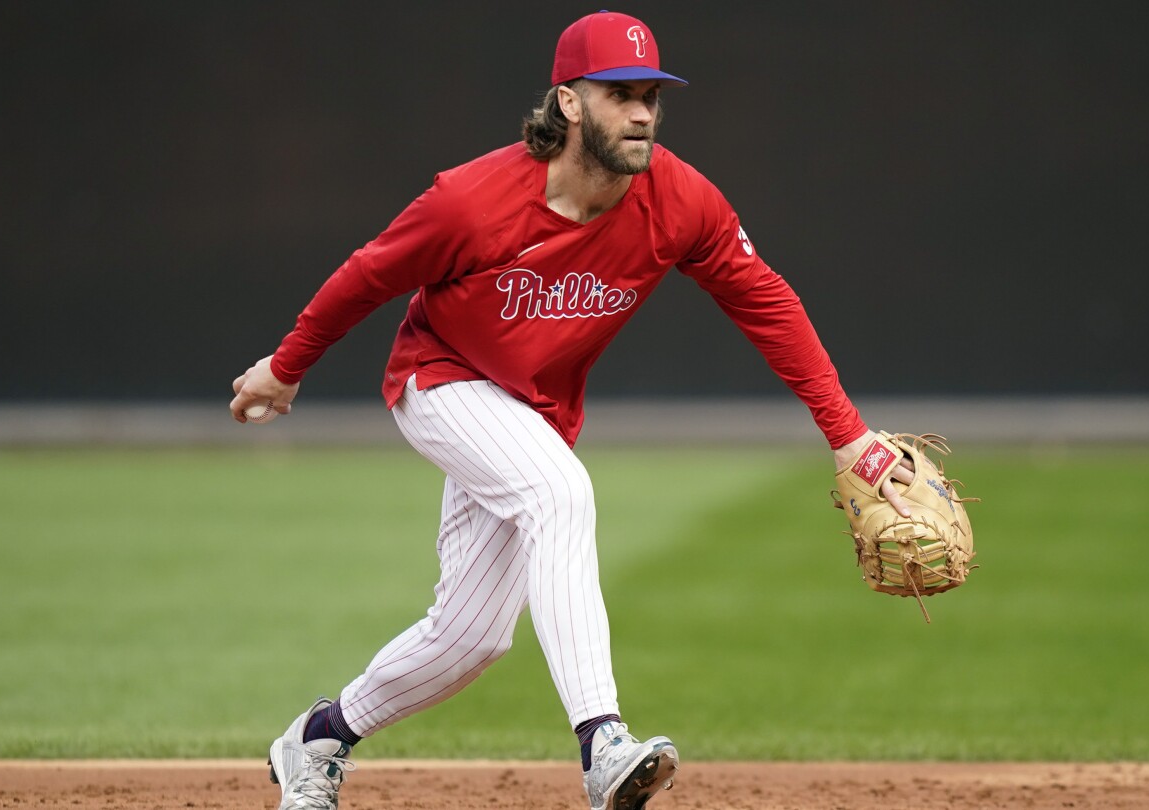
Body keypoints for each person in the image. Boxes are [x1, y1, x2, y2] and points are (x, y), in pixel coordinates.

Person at [230, 10, 914, 810]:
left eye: (652, 96)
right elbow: (368, 276)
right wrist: (286, 367)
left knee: (471, 637)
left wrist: (849, 436)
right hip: (441, 380)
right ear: (566, 103)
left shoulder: (679, 201)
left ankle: (316, 739)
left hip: (532, 413)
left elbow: (764, 300)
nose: (642, 113)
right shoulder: (470, 202)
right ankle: (602, 741)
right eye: (620, 94)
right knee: (561, 493)